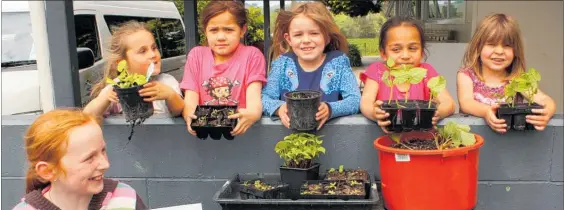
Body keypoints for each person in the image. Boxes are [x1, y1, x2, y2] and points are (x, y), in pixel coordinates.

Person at [1, 109, 214, 210]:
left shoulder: (125, 199)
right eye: (89, 158)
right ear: (48, 171)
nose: (104, 164)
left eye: (103, 151)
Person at [262, 1, 360, 130]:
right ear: (289, 39)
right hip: (287, 143)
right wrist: (278, 108)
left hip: (332, 140)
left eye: (314, 33)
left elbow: (355, 100)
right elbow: (264, 98)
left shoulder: (338, 62)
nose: (306, 40)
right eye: (298, 35)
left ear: (327, 37)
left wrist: (330, 109)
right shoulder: (282, 64)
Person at [457, 13, 555, 133]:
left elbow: (544, 99)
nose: (499, 51)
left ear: (515, 51)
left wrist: (548, 111)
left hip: (510, 144)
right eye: (491, 44)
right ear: (477, 47)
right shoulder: (467, 76)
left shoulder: (517, 79)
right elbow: (466, 103)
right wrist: (486, 112)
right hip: (475, 139)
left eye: (507, 46)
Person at [181, 0, 267, 136]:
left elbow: (254, 99)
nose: (221, 37)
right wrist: (189, 114)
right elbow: (190, 98)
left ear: (242, 30)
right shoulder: (196, 55)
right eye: (213, 30)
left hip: (242, 130)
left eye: (228, 30)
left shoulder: (252, 55)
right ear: (205, 31)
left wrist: (253, 113)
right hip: (204, 133)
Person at [359, 16, 455, 132]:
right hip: (384, 139)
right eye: (396, 49)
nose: (405, 56)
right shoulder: (377, 71)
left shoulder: (426, 72)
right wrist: (374, 114)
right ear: (383, 53)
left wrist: (438, 113)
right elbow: (366, 102)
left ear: (422, 52)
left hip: (421, 141)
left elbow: (449, 103)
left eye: (412, 48)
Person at [83, 21, 184, 118]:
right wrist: (104, 99)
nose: (153, 55)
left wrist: (171, 96)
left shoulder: (167, 81)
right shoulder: (118, 86)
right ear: (122, 63)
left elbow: (180, 111)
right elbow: (88, 115)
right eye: (142, 51)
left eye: (154, 48)